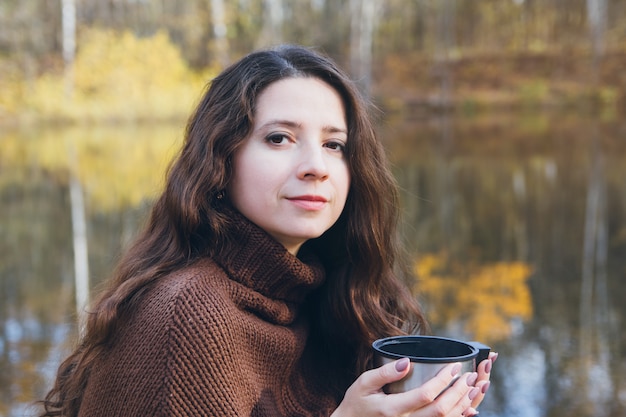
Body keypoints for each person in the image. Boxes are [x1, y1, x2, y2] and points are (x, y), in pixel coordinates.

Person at [39, 44, 496, 417]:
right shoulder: (189, 315)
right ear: (222, 159)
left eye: (334, 144)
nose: (316, 167)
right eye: (279, 138)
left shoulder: (325, 296)